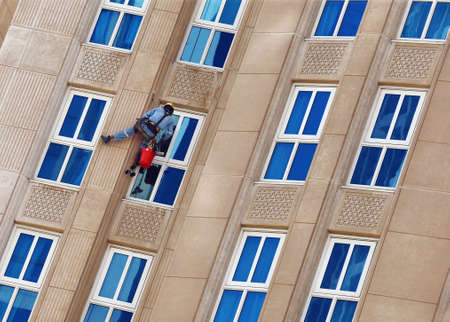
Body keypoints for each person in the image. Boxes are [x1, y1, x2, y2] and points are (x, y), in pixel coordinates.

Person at [101, 103, 176, 147]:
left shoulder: (158, 109)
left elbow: (146, 115)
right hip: (151, 134)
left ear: (165, 106)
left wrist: (140, 121)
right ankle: (138, 161)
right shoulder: (171, 120)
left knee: (129, 131)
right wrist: (163, 140)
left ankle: (109, 138)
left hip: (143, 126)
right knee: (145, 145)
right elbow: (170, 133)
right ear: (171, 111)